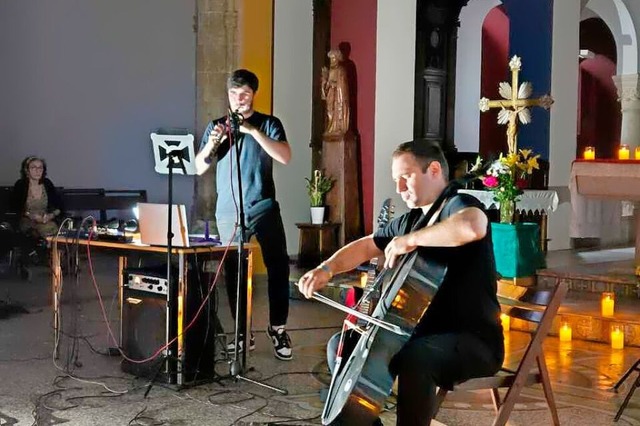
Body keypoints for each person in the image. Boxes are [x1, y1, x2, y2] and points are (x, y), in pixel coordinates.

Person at [298, 140, 504, 425]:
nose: (399, 189)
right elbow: (366, 245)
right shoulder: (411, 220)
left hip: (473, 341)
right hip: (415, 335)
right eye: (395, 181)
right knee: (342, 345)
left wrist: (411, 241)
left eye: (405, 177)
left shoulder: (458, 205)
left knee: (415, 359)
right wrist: (327, 268)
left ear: (433, 170)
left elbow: (472, 226)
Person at [195, 69, 293, 361]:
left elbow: (285, 156)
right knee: (234, 272)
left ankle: (277, 328)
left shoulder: (269, 123)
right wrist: (213, 143)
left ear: (253, 95)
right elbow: (199, 167)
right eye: (235, 94)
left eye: (245, 94)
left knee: (279, 266)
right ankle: (241, 332)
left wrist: (252, 131)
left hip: (263, 207)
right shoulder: (216, 126)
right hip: (229, 210)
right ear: (228, 96)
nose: (240, 99)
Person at [12, 156, 62, 238]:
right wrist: (31, 215)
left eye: (40, 168)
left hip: (45, 220)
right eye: (33, 167)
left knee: (51, 228)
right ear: (26, 170)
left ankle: (54, 249)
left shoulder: (47, 183)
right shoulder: (21, 185)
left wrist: (51, 215)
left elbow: (59, 206)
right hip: (27, 220)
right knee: (39, 232)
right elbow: (15, 207)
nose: (37, 171)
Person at [321, 49, 350, 136]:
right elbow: (325, 88)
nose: (332, 61)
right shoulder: (330, 71)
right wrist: (325, 82)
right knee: (330, 112)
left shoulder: (341, 70)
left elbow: (342, 86)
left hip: (338, 97)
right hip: (331, 96)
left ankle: (338, 128)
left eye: (333, 58)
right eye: (331, 59)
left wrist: (334, 85)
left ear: (337, 59)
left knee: (338, 112)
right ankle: (331, 128)